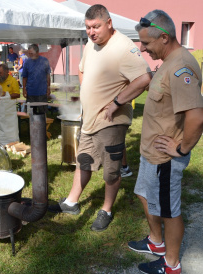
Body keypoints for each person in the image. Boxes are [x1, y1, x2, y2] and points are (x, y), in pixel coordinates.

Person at [48, 4, 152, 232]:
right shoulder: (90, 45)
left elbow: (145, 78)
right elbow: (82, 69)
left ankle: (106, 209)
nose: (91, 32)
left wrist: (116, 102)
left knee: (111, 170)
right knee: (83, 160)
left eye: (96, 27)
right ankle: (71, 202)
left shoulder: (123, 47)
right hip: (90, 119)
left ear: (109, 23)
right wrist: (88, 93)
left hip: (111, 122)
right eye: (87, 28)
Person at [127, 10, 203, 274]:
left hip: (166, 159)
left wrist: (181, 149)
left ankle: (172, 264)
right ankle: (156, 242)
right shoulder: (168, 61)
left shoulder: (182, 66)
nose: (143, 48)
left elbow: (196, 117)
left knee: (170, 212)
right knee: (143, 195)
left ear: (164, 37)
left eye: (146, 43)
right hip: (151, 153)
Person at [22, 44, 51, 109]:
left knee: (42, 113)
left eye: (31, 53)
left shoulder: (44, 61)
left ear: (37, 52)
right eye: (29, 54)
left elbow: (48, 75)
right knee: (31, 113)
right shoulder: (27, 62)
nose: (30, 55)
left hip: (42, 92)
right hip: (30, 92)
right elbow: (24, 77)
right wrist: (24, 89)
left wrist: (48, 87)